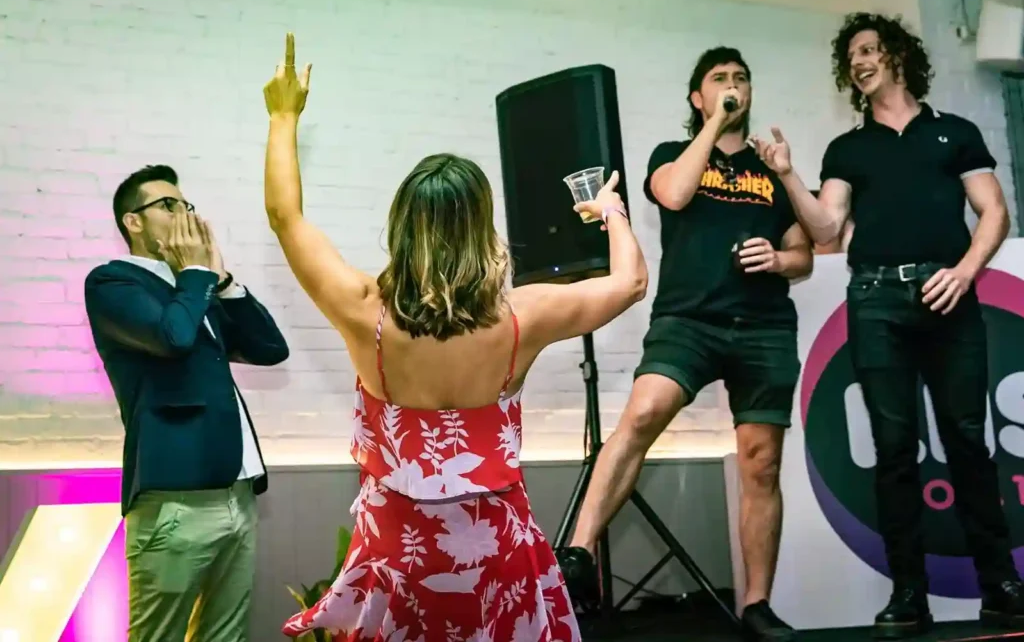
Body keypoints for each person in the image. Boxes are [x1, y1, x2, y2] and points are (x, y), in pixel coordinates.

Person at [263, 33, 647, 642]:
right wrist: (611, 213)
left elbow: (286, 218)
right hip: (495, 554)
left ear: (401, 225)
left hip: (399, 557)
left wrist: (284, 116)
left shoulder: (368, 315)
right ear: (481, 228)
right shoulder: (523, 319)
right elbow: (629, 284)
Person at [762, 12, 1024, 638]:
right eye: (851, 55)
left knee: (967, 440)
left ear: (898, 56)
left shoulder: (954, 133)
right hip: (875, 299)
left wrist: (963, 273)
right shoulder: (848, 148)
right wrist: (786, 173)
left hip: (947, 296)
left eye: (869, 49)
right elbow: (826, 228)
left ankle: (1000, 585)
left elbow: (994, 212)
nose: (858, 60)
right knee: (894, 451)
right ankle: (908, 593)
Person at [556, 46, 812, 642]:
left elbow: (804, 252)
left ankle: (757, 604)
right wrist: (714, 127)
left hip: (765, 326)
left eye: (741, 79)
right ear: (698, 97)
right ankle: (577, 555)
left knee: (761, 461)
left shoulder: (773, 167)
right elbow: (672, 195)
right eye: (719, 80)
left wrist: (780, 258)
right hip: (688, 321)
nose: (733, 86)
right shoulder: (672, 154)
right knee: (642, 413)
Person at [83, 165, 290, 641]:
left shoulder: (195, 290)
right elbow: (172, 337)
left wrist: (223, 280)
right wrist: (195, 274)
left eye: (186, 204)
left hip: (237, 496)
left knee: (225, 636)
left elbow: (269, 348)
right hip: (174, 505)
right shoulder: (113, 284)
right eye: (168, 205)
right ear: (133, 221)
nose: (185, 215)